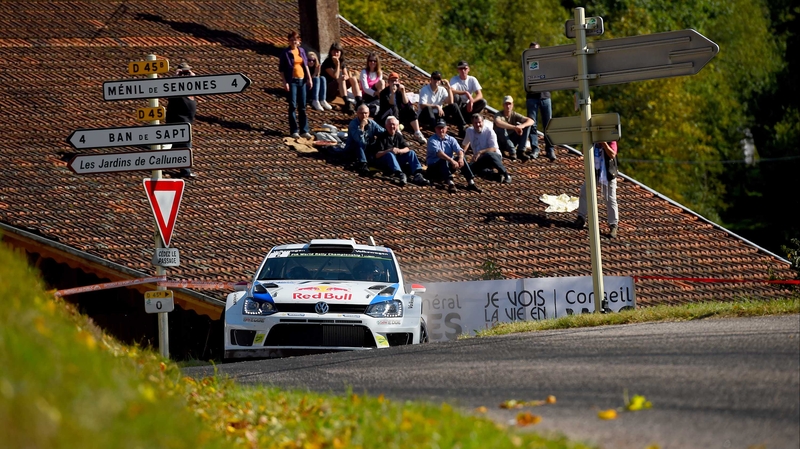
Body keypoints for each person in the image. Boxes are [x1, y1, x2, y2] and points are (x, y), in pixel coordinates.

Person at [574, 141, 620, 238]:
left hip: (607, 173)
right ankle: (581, 218)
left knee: (610, 198)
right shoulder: (591, 139)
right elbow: (583, 151)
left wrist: (604, 144)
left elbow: (612, 154)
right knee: (584, 192)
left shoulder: (610, 140)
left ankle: (613, 225)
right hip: (594, 171)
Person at [370, 116, 429, 186]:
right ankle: (399, 174)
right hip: (385, 163)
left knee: (411, 153)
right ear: (386, 126)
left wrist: (399, 151)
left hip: (397, 160)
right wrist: (390, 150)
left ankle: (417, 174)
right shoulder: (382, 137)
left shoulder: (398, 136)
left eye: (394, 124)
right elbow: (377, 155)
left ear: (397, 126)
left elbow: (407, 148)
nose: (392, 126)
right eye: (390, 124)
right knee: (390, 154)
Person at [426, 119, 481, 193]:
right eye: (439, 128)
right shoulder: (432, 140)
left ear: (446, 129)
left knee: (461, 158)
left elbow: (460, 150)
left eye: (443, 128)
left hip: (447, 167)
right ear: (435, 129)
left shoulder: (451, 139)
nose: (441, 130)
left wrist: (461, 158)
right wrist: (451, 160)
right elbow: (439, 153)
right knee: (443, 159)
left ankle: (471, 182)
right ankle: (450, 183)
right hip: (434, 169)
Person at [165, 62, 197, 178]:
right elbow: (168, 88)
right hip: (178, 124)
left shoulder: (190, 89)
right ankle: (186, 171)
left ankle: (182, 168)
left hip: (186, 124)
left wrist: (191, 76)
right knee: (184, 148)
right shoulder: (176, 92)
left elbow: (197, 85)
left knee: (178, 147)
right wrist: (176, 76)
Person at [278, 31, 313, 139]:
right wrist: (285, 82)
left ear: (299, 41)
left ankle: (304, 130)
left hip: (301, 80)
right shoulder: (285, 53)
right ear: (289, 41)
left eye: (295, 39)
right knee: (292, 105)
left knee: (302, 106)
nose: (294, 41)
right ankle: (294, 130)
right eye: (292, 39)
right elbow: (282, 69)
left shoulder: (301, 51)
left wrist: (309, 78)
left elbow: (306, 65)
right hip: (292, 81)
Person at [377, 72, 427, 144]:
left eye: (396, 81)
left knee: (409, 108)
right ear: (388, 82)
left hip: (398, 115)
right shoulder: (384, 93)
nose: (394, 83)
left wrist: (403, 92)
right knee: (394, 107)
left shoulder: (399, 91)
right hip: (385, 115)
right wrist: (393, 93)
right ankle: (398, 132)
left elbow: (406, 103)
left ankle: (417, 132)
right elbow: (390, 104)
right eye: (392, 81)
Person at [526, 42, 556, 161]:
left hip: (545, 96)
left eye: (536, 50)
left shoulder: (545, 63)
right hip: (531, 97)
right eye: (532, 50)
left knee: (548, 124)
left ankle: (550, 149)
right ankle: (535, 148)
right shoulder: (526, 63)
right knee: (532, 124)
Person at [463, 114, 511, 184]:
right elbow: (465, 144)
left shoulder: (489, 131)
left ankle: (506, 175)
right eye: (475, 123)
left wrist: (480, 152)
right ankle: (496, 176)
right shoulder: (469, 131)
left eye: (479, 122)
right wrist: (461, 156)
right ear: (472, 123)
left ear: (483, 122)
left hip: (493, 157)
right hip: (481, 159)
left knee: (488, 154)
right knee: (469, 169)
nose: (478, 124)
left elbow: (494, 148)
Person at [417, 71, 466, 137]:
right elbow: (422, 105)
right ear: (431, 79)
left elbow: (450, 102)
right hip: (425, 116)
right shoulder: (424, 90)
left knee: (454, 106)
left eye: (438, 79)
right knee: (428, 108)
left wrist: (448, 88)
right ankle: (435, 128)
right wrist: (436, 106)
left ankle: (462, 128)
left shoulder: (442, 90)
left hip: (438, 115)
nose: (436, 80)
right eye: (434, 78)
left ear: (440, 80)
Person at [321, 42, 362, 114]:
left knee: (353, 79)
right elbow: (335, 76)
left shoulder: (342, 62)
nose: (336, 54)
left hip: (340, 88)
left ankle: (358, 101)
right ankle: (346, 102)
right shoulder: (327, 62)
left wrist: (345, 76)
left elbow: (347, 75)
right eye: (334, 51)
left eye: (337, 52)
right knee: (341, 79)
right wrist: (337, 64)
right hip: (329, 88)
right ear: (331, 52)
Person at [344, 104, 384, 174]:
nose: (364, 115)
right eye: (361, 113)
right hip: (353, 149)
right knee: (359, 144)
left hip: (367, 147)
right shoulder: (353, 124)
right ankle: (363, 164)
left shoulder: (371, 123)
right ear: (357, 114)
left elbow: (382, 131)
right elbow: (358, 139)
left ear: (368, 114)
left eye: (365, 113)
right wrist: (362, 126)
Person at [494, 95, 534, 161]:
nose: (508, 106)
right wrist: (514, 127)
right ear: (503, 105)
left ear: (512, 105)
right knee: (501, 128)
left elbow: (531, 121)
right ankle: (512, 151)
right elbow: (498, 122)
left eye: (509, 104)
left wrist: (521, 126)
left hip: (512, 140)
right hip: (501, 142)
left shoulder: (514, 114)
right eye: (506, 104)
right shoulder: (499, 114)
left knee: (527, 126)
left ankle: (521, 151)